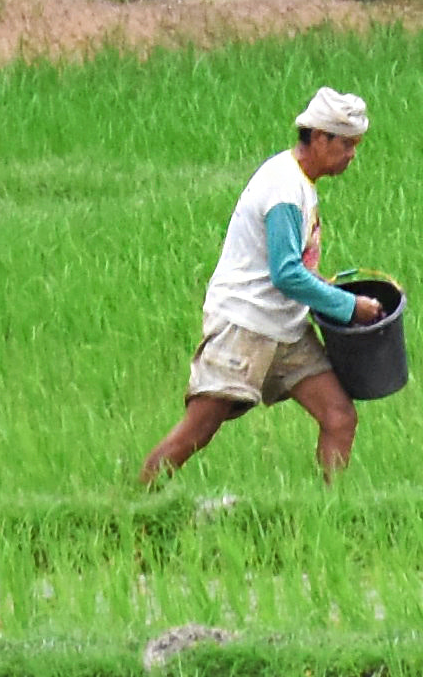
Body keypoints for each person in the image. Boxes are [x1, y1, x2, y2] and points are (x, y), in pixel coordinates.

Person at [139, 87, 385, 484]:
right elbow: (285, 273)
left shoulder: (301, 183)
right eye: (346, 144)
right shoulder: (284, 186)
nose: (352, 155)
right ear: (320, 138)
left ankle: (334, 510)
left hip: (285, 329)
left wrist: (322, 287)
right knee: (198, 431)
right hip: (246, 326)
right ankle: (136, 507)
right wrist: (347, 305)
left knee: (339, 416)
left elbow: (292, 267)